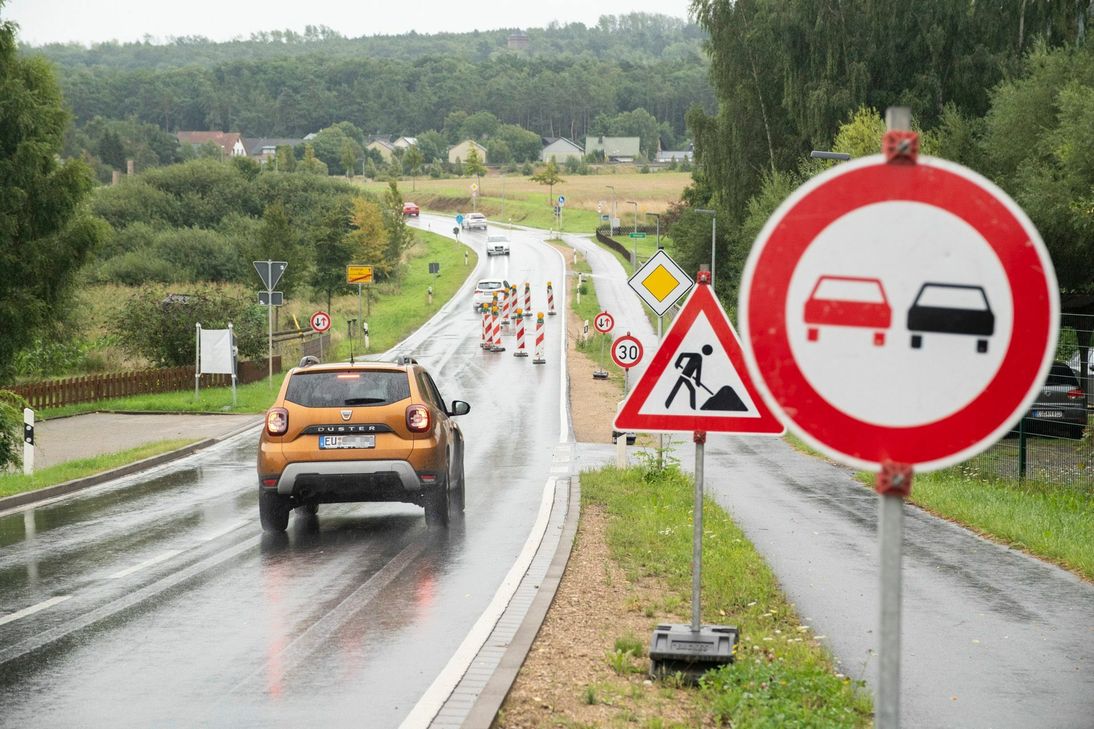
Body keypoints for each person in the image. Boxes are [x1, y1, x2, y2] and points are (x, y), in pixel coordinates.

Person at [665, 344, 713, 410]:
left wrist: (697, 382)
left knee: (680, 389)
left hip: (686, 377)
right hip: (684, 376)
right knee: (688, 390)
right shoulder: (697, 355)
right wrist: (677, 363)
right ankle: (668, 404)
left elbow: (698, 371)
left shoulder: (699, 358)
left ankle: (667, 404)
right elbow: (682, 355)